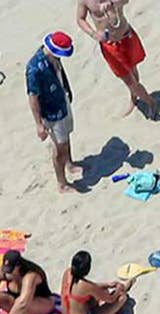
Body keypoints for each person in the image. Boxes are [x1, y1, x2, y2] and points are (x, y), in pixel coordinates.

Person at [76, 0, 158, 117]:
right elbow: (80, 19)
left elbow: (126, 1)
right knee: (128, 80)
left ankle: (134, 98)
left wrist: (112, 3)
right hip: (110, 45)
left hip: (126, 36)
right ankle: (151, 101)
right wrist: (93, 34)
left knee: (133, 69)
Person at [26, 31, 83, 193]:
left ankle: (70, 164)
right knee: (59, 149)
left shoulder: (54, 58)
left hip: (62, 101)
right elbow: (33, 97)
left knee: (66, 136)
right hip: (51, 112)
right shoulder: (35, 69)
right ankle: (62, 183)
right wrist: (39, 124)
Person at [60, 251, 130, 314]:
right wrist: (118, 288)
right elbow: (111, 299)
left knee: (100, 293)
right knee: (122, 297)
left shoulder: (67, 273)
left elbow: (91, 288)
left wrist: (108, 284)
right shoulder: (84, 285)